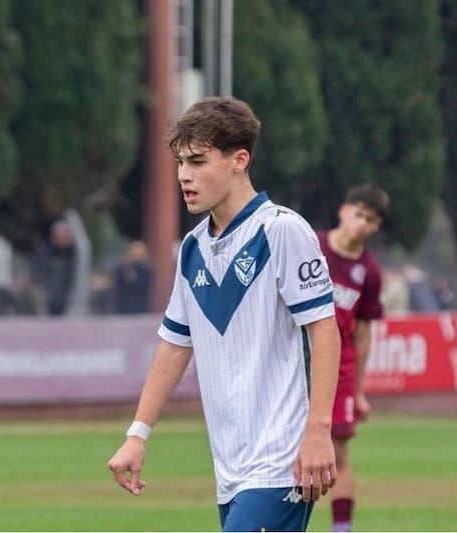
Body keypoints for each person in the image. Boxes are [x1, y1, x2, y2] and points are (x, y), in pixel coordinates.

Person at [107, 97, 341, 532]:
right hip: (230, 468)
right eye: (180, 163)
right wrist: (137, 434)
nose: (184, 175)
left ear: (240, 160)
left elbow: (324, 331)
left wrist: (318, 431)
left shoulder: (282, 231)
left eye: (197, 161)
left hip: (281, 463)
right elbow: (175, 345)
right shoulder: (193, 248)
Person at [316, 183, 389, 532]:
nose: (362, 224)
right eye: (359, 214)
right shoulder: (309, 247)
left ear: (376, 227)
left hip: (340, 367)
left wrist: (358, 391)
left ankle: (341, 529)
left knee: (338, 453)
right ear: (344, 211)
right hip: (297, 360)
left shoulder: (370, 273)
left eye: (370, 220)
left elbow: (362, 334)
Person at [34, 219, 77, 315]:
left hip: (68, 299)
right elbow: (39, 275)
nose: (61, 239)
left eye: (64, 236)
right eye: (58, 236)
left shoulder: (75, 256)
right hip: (49, 299)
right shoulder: (45, 254)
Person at [114, 240, 153, 314]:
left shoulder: (145, 269)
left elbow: (140, 284)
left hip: (139, 307)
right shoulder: (123, 267)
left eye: (139, 254)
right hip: (124, 307)